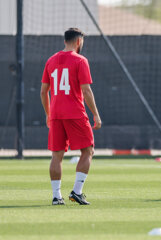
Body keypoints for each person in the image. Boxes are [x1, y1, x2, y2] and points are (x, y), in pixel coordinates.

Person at [40, 28, 102, 205]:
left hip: (57, 114)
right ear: (78, 42)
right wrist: (96, 115)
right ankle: (76, 191)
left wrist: (48, 114)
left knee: (56, 155)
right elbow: (86, 90)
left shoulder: (51, 60)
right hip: (75, 113)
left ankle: (56, 196)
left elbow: (44, 91)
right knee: (88, 150)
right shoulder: (81, 60)